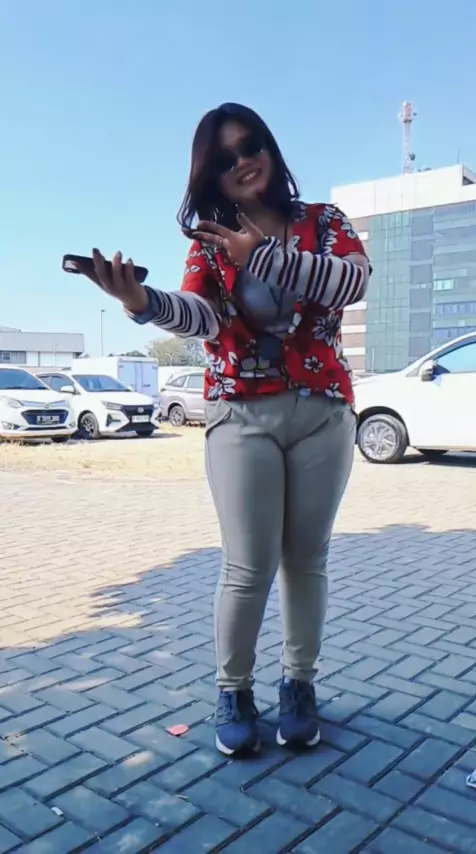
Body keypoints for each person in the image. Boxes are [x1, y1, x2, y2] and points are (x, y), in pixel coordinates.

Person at [75, 102, 370, 757]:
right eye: (225, 157)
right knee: (247, 564)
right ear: (210, 174)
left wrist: (263, 256)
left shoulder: (324, 222)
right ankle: (234, 691)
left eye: (251, 145)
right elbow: (202, 317)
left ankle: (299, 686)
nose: (243, 162)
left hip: (323, 410)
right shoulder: (209, 242)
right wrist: (140, 302)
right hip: (241, 412)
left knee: (307, 560)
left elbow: (350, 283)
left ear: (270, 148)